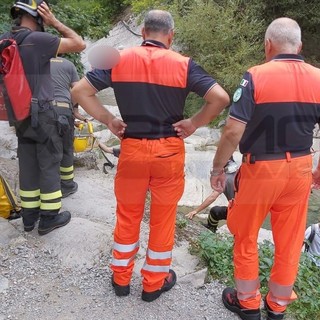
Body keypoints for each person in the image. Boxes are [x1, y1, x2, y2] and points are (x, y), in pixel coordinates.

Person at [72, 10, 229, 302]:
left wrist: (109, 119)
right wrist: (194, 123)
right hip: (168, 152)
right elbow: (220, 98)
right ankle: (153, 284)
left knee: (128, 215)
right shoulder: (184, 65)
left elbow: (80, 91)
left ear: (143, 32)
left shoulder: (119, 59)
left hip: (132, 149)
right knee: (163, 219)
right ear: (171, 36)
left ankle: (121, 279)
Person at [210, 17, 320, 320]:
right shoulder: (318, 78)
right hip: (300, 167)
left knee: (245, 237)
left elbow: (233, 131)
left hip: (261, 170)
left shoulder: (256, 76)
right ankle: (277, 307)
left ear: (267, 44)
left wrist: (218, 169)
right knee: (289, 242)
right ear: (299, 46)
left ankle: (247, 304)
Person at [0, 0, 85, 235]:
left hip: (20, 115)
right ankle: (49, 218)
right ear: (38, 17)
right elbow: (79, 44)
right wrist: (54, 21)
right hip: (43, 113)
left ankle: (29, 218)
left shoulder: (6, 39)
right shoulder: (37, 40)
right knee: (49, 162)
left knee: (27, 164)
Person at [50, 56, 82, 198]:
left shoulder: (37, 61)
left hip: (42, 109)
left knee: (46, 148)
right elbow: (77, 89)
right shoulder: (68, 64)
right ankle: (67, 185)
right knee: (66, 148)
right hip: (64, 110)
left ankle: (49, 184)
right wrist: (74, 110)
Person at [185, 157, 238, 233]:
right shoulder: (241, 174)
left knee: (214, 211)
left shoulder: (224, 179)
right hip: (252, 212)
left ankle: (211, 229)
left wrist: (195, 211)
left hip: (237, 213)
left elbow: (212, 197)